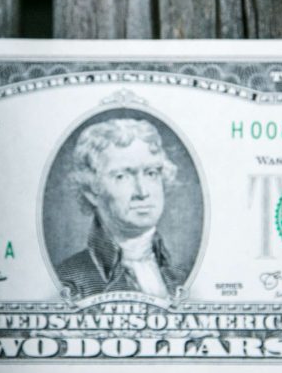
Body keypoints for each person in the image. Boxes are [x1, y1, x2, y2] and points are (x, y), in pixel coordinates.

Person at [56, 118, 187, 298]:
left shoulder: (181, 274)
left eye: (151, 173)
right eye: (121, 176)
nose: (142, 192)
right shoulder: (69, 280)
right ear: (91, 191)